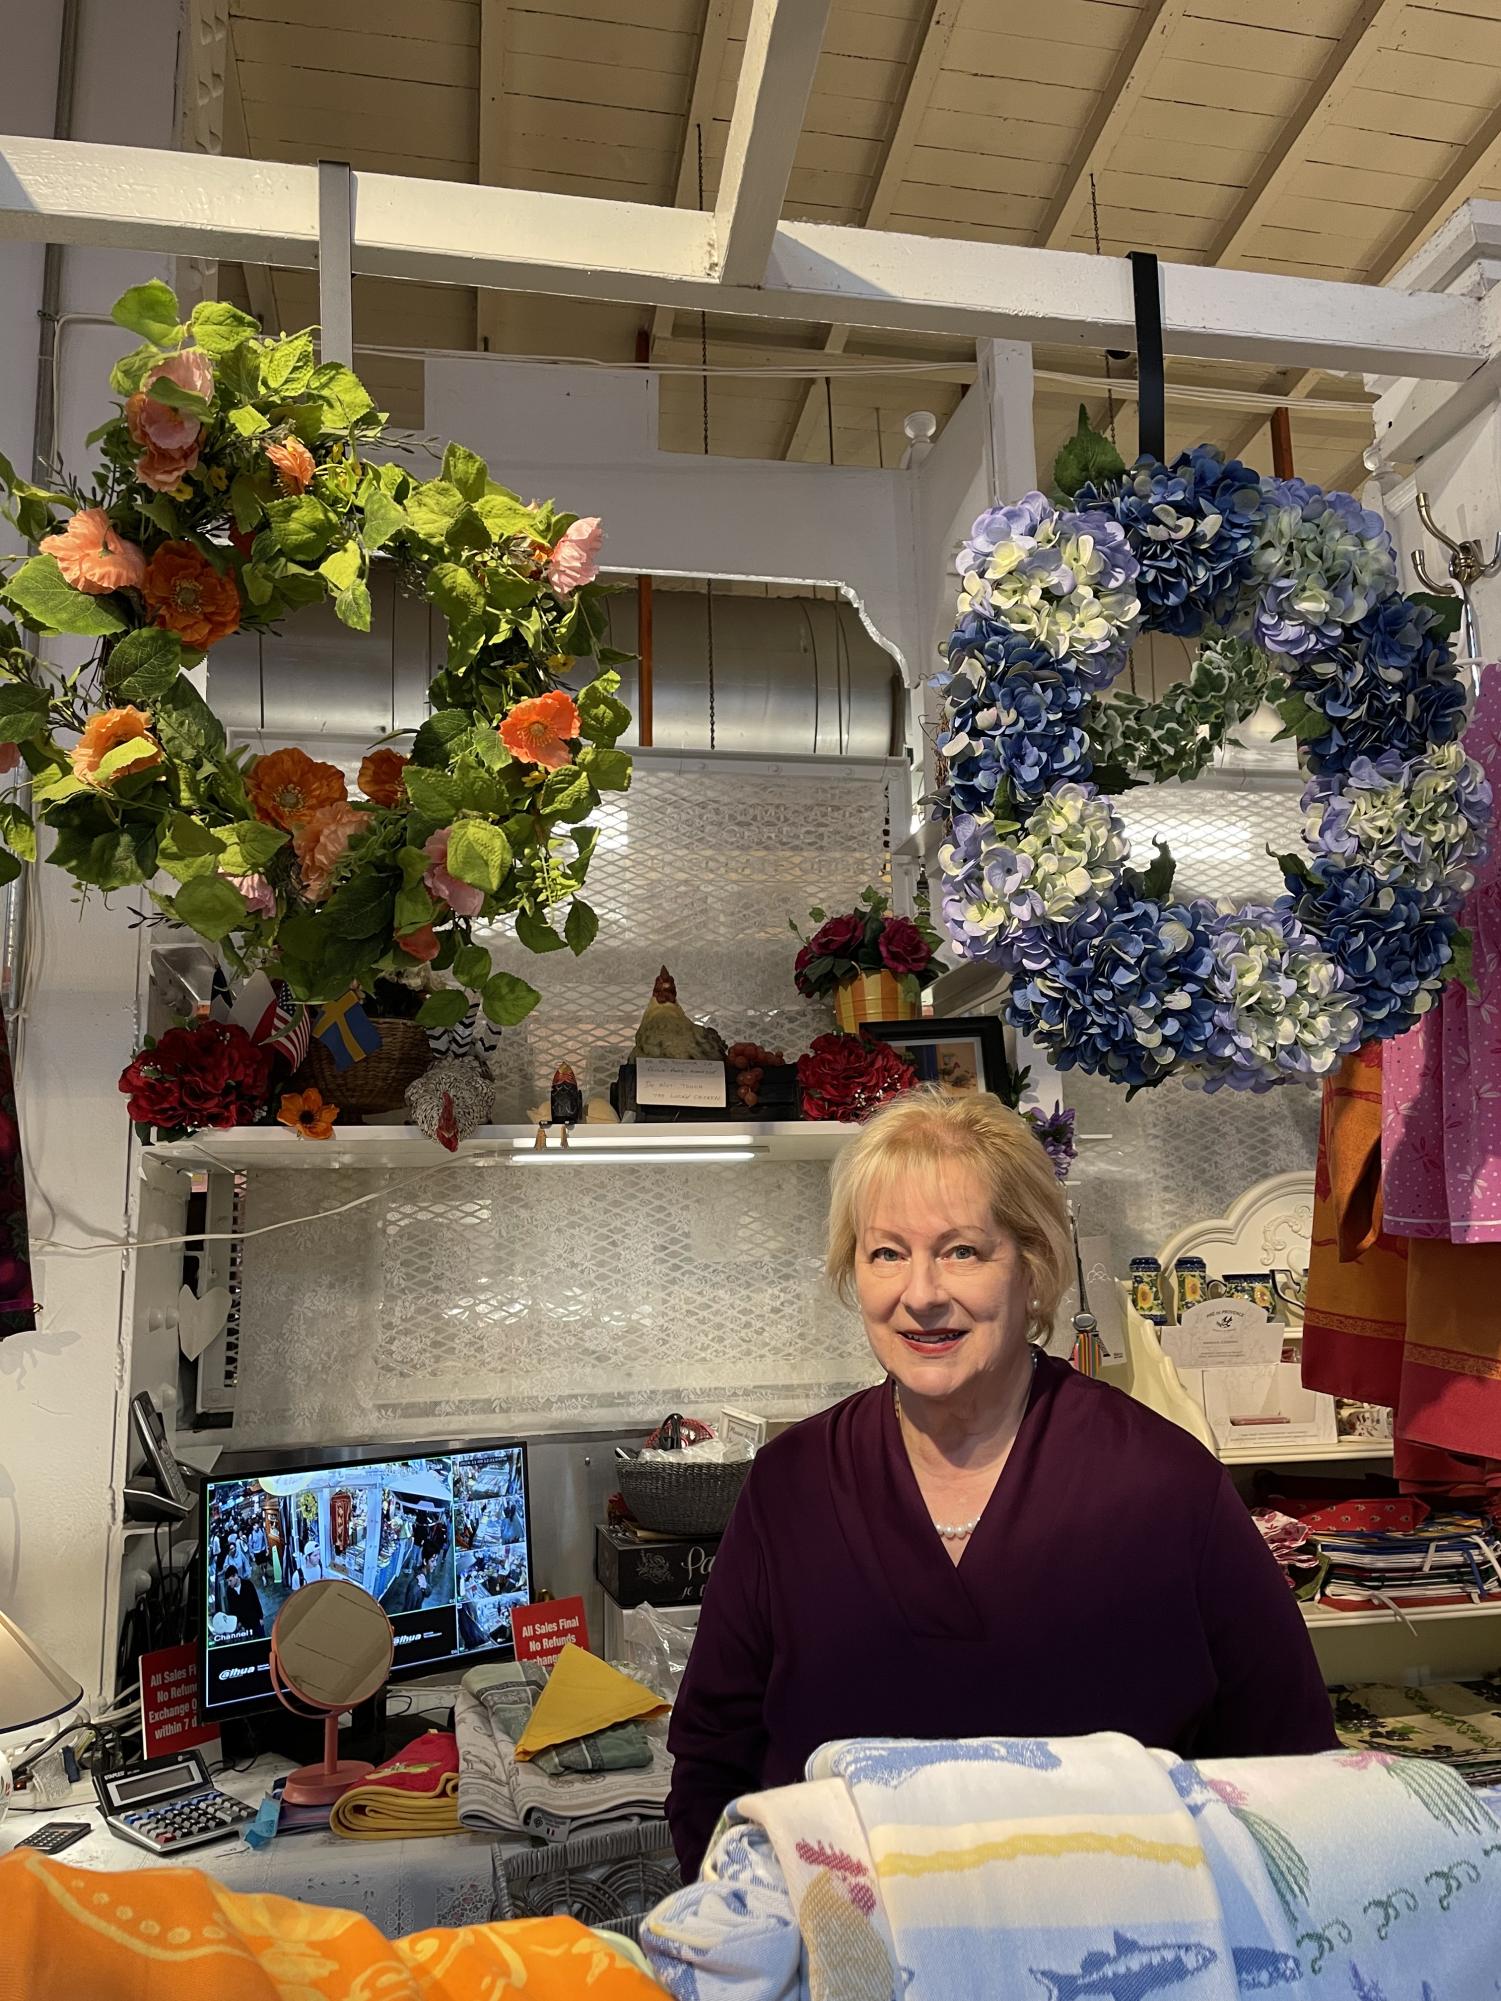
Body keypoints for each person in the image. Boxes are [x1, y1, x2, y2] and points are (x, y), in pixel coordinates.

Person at [665, 1089, 1338, 1880]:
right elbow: (712, 1760)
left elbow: (1290, 1767)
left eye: (961, 1251)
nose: (919, 1294)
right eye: (885, 1252)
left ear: (1034, 1264)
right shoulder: (792, 1486)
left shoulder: (1163, 1487)